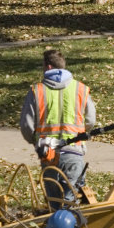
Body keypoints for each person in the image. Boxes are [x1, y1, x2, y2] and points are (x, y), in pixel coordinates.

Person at [20, 48, 96, 209]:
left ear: (48, 67)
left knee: (54, 205)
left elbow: (26, 126)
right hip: (74, 152)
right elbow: (91, 119)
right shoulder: (80, 88)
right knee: (71, 204)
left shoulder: (37, 90)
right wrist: (80, 132)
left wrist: (36, 141)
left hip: (49, 155)